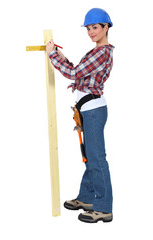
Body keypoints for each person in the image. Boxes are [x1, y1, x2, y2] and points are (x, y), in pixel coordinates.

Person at [46, 8, 114, 223]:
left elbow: (74, 74)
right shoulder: (95, 51)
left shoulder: (102, 52)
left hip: (94, 111)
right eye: (88, 28)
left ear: (106, 27)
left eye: (95, 27)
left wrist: (51, 56)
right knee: (91, 157)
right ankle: (86, 198)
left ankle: (103, 208)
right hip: (87, 110)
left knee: (97, 160)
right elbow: (79, 72)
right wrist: (60, 56)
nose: (91, 32)